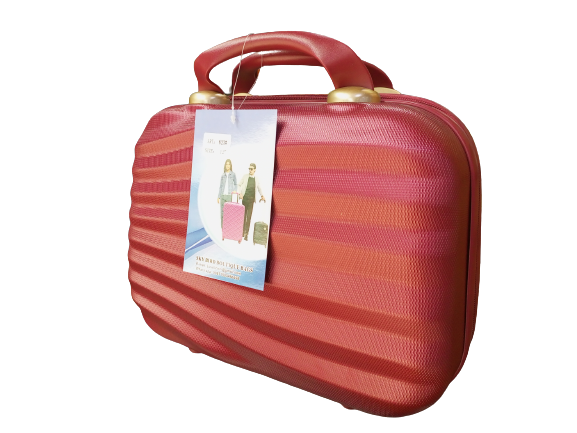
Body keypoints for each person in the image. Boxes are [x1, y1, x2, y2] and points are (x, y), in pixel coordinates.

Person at [238, 163, 265, 241]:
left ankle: (246, 234)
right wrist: (240, 193)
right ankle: (242, 232)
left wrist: (262, 195)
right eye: (249, 169)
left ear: (255, 170)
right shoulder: (245, 176)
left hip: (251, 201)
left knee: (249, 217)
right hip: (245, 199)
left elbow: (259, 188)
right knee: (243, 216)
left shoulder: (256, 179)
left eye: (251, 169)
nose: (250, 170)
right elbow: (239, 185)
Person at [218, 159, 237, 228]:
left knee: (229, 212)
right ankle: (222, 228)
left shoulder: (233, 174)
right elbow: (220, 186)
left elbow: (235, 184)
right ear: (225, 165)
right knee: (222, 213)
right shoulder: (223, 175)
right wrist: (218, 196)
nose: (227, 165)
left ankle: (228, 228)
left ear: (230, 165)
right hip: (223, 196)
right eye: (226, 164)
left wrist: (235, 190)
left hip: (229, 196)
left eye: (229, 164)